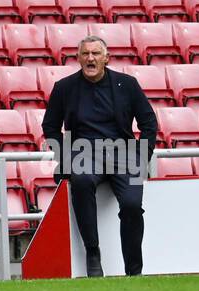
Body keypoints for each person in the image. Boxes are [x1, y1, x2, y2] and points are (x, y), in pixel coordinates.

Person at [41, 35, 158, 278]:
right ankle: (92, 253)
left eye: (95, 54)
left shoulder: (127, 84)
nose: (90, 58)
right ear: (78, 58)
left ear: (106, 58)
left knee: (132, 205)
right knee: (81, 182)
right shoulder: (64, 88)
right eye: (85, 54)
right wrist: (65, 157)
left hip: (125, 154)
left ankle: (134, 271)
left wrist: (141, 156)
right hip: (84, 153)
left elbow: (149, 123)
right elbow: (50, 127)